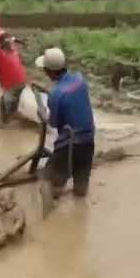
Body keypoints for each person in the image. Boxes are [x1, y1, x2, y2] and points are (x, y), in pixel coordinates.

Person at [34, 47, 95, 205]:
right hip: (88, 141)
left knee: (48, 181)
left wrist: (43, 116)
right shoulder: (80, 80)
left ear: (49, 71)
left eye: (45, 70)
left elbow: (53, 123)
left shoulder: (56, 95)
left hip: (70, 145)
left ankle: (50, 221)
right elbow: (71, 98)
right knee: (81, 187)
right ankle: (80, 209)